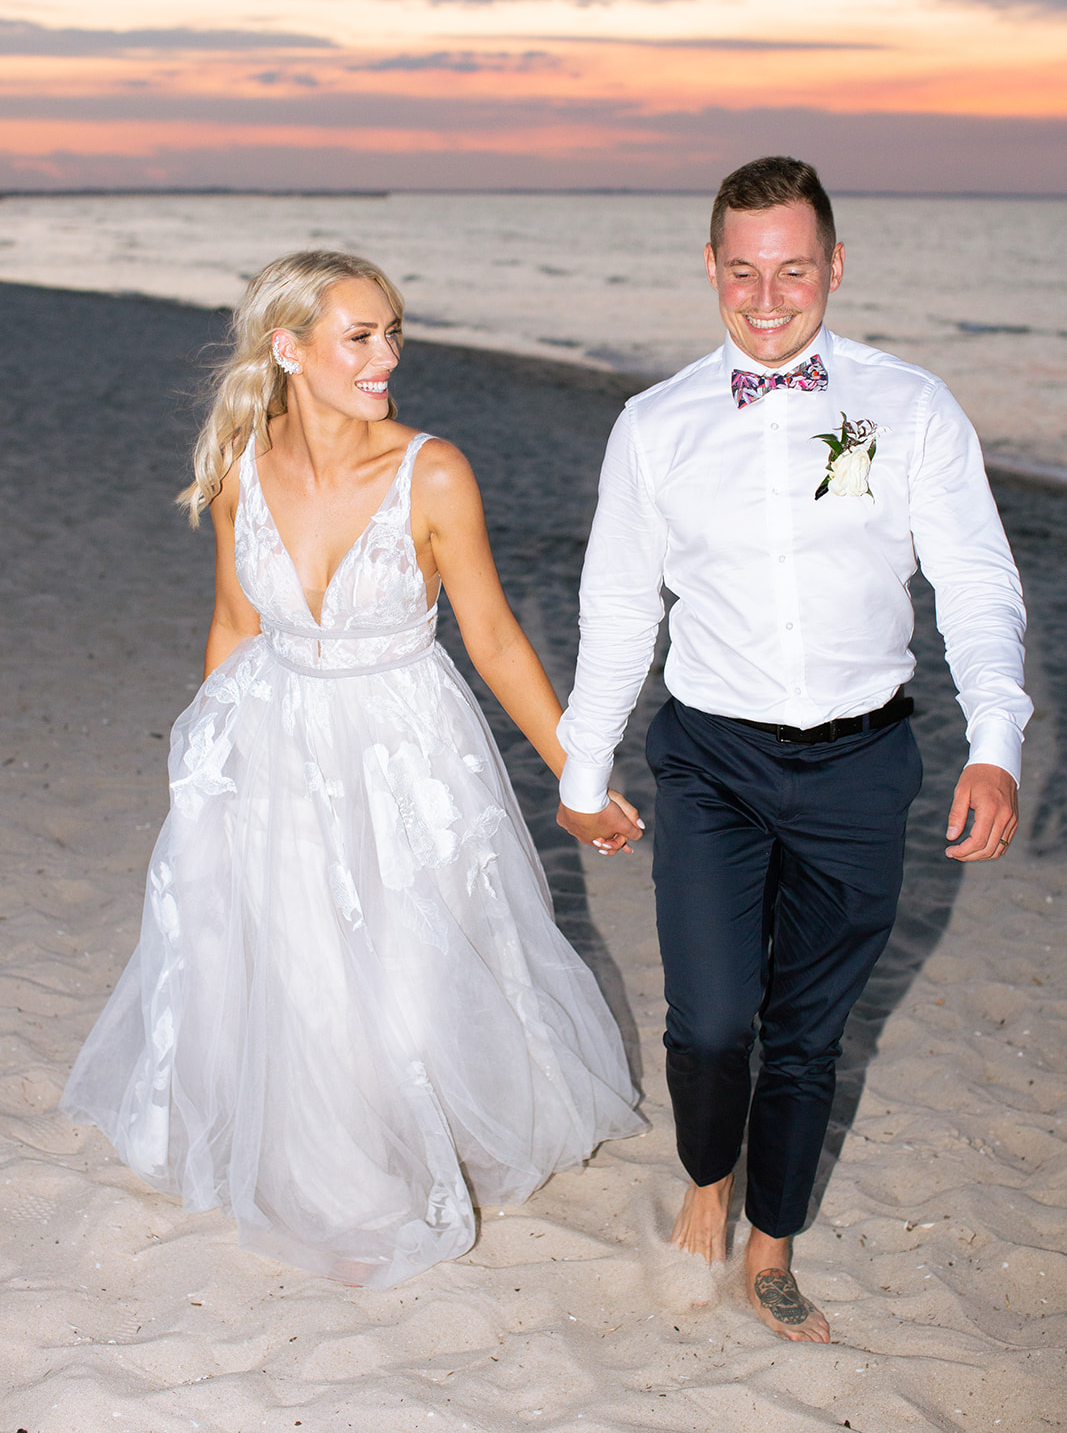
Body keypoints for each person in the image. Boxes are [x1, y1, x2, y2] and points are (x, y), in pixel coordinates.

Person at [62, 249, 642, 1288]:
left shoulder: (432, 469)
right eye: (359, 335)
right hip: (275, 734)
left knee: (421, 955)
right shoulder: (242, 461)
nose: (386, 356)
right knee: (301, 960)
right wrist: (206, 757)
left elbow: (497, 641)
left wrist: (579, 777)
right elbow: (236, 620)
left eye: (392, 332)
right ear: (288, 350)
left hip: (408, 746)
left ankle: (422, 1123)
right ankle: (336, 1165)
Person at [556, 157, 1030, 1343]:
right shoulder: (653, 424)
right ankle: (705, 1171)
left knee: (808, 1029)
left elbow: (975, 580)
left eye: (794, 270)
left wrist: (997, 741)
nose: (768, 298)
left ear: (832, 267)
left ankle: (769, 1244)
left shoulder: (909, 406)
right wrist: (579, 766)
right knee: (713, 1021)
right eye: (743, 271)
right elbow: (618, 610)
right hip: (711, 760)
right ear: (710, 269)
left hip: (862, 766)